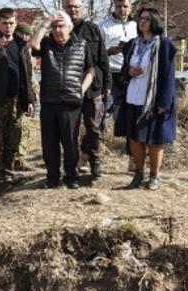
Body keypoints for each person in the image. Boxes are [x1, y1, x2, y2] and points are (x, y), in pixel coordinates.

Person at [30, 11, 96, 189]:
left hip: (71, 103)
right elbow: (33, 45)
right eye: (55, 27)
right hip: (49, 101)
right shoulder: (46, 44)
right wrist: (45, 24)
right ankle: (52, 178)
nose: (57, 30)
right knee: (49, 144)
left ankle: (72, 177)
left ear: (69, 27)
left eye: (61, 26)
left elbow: (91, 70)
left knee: (70, 142)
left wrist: (81, 89)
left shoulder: (82, 45)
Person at [114, 7, 177, 191]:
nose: (142, 21)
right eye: (141, 18)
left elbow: (168, 76)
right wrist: (129, 71)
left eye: (147, 19)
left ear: (155, 22)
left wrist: (164, 103)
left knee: (155, 140)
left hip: (154, 101)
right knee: (135, 138)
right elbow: (124, 69)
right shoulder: (133, 44)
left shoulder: (164, 45)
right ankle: (138, 175)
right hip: (133, 97)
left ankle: (154, 177)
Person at [0, 8, 34, 195]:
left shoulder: (20, 44)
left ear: (15, 23)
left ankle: (8, 175)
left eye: (11, 23)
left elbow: (26, 74)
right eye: (4, 23)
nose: (8, 27)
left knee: (13, 139)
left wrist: (29, 99)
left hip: (16, 100)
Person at [64, 0, 111, 179]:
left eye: (76, 6)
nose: (73, 10)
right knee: (71, 130)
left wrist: (108, 83)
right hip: (68, 89)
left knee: (94, 127)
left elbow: (103, 57)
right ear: (64, 8)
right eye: (69, 7)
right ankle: (73, 165)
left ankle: (95, 161)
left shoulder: (93, 29)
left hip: (93, 88)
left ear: (81, 9)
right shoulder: (60, 30)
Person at [99, 0, 137, 170]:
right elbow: (95, 53)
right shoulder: (103, 26)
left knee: (132, 117)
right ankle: (91, 156)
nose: (122, 10)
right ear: (114, 6)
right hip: (111, 76)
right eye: (119, 6)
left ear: (131, 7)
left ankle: (133, 158)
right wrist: (109, 51)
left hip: (132, 77)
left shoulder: (138, 26)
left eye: (125, 6)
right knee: (100, 114)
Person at [12, 22, 36, 172]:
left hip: (28, 94)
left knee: (25, 129)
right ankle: (16, 160)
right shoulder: (16, 48)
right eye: (23, 34)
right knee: (18, 129)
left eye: (28, 34)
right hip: (18, 96)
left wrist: (32, 96)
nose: (26, 37)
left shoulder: (27, 49)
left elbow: (30, 76)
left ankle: (20, 159)